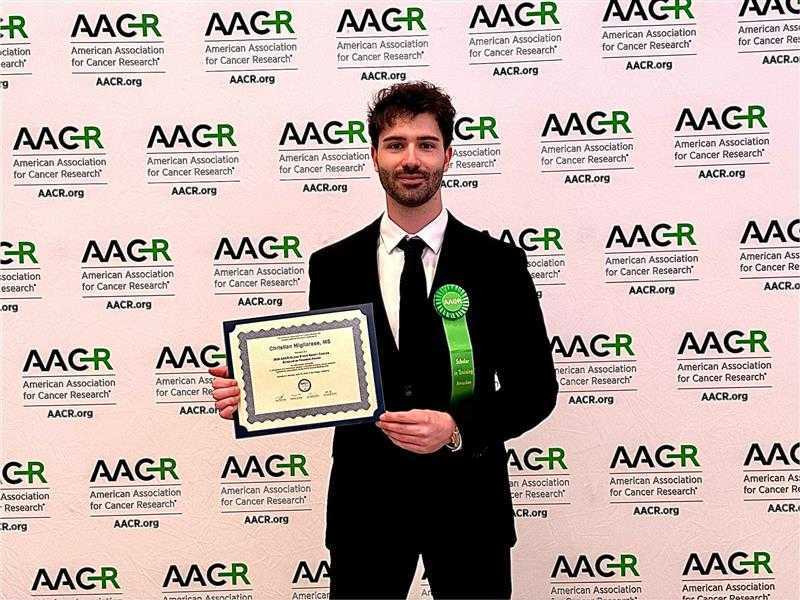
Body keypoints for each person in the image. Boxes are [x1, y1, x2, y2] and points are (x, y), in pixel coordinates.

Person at [210, 81, 558, 599]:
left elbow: (535, 390)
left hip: (469, 506)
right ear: (374, 155)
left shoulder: (498, 264)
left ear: (448, 155)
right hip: (367, 509)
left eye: (426, 144)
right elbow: (323, 375)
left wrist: (457, 428)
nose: (411, 159)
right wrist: (253, 391)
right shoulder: (333, 265)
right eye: (396, 144)